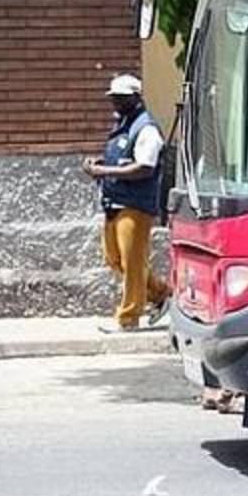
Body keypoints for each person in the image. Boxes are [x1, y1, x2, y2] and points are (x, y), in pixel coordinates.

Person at [81, 73, 171, 333]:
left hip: (135, 204)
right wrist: (100, 164)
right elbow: (122, 157)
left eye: (120, 98)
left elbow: (145, 167)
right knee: (114, 258)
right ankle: (162, 294)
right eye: (113, 98)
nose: (115, 103)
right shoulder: (124, 124)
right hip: (114, 202)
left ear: (135, 98)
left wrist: (105, 172)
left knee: (133, 262)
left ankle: (128, 318)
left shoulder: (146, 128)